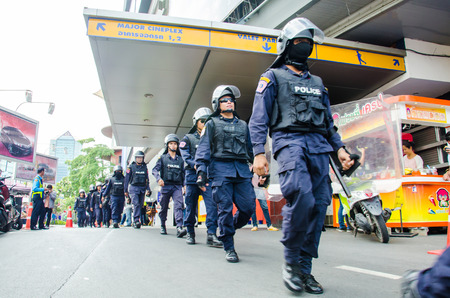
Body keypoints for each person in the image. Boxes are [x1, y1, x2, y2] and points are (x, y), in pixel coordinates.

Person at [248, 18, 353, 293]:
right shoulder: (271, 77)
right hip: (289, 143)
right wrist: (259, 154)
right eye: (298, 42)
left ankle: (305, 270)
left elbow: (329, 124)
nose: (304, 46)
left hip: (320, 147)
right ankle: (291, 263)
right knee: (302, 197)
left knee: (319, 207)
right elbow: (258, 120)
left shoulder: (318, 82)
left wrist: (340, 149)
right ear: (286, 46)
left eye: (308, 42)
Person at [195, 85, 256, 263]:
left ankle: (227, 229)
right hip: (221, 170)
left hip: (242, 171)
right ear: (217, 104)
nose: (229, 103)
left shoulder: (243, 125)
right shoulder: (212, 124)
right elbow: (204, 149)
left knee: (248, 208)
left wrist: (259, 166)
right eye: (224, 100)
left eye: (231, 100)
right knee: (225, 209)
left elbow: (250, 149)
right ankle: (229, 246)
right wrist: (201, 172)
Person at [180, 107, 222, 246]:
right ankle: (190, 233)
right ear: (196, 122)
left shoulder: (214, 138)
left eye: (207, 121)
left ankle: (211, 234)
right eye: (202, 121)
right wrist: (196, 165)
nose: (205, 123)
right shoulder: (188, 138)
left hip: (208, 177)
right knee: (191, 206)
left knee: (212, 205)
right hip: (192, 177)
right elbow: (185, 156)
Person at [152, 134, 187, 237]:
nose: (173, 146)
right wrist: (159, 179)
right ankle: (163, 225)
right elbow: (154, 170)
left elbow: (183, 173)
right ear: (167, 145)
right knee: (163, 207)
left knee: (179, 206)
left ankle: (179, 227)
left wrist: (184, 185)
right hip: (166, 186)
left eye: (175, 144)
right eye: (171, 143)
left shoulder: (180, 159)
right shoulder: (162, 158)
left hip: (177, 186)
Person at [124, 150, 151, 229]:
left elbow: (147, 179)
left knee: (140, 205)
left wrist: (148, 189)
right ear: (135, 158)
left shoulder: (144, 167)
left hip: (142, 188)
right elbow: (127, 179)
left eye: (141, 158)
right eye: (138, 158)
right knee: (136, 204)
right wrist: (125, 190)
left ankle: (136, 219)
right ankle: (136, 220)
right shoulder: (131, 167)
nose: (140, 159)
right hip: (133, 188)